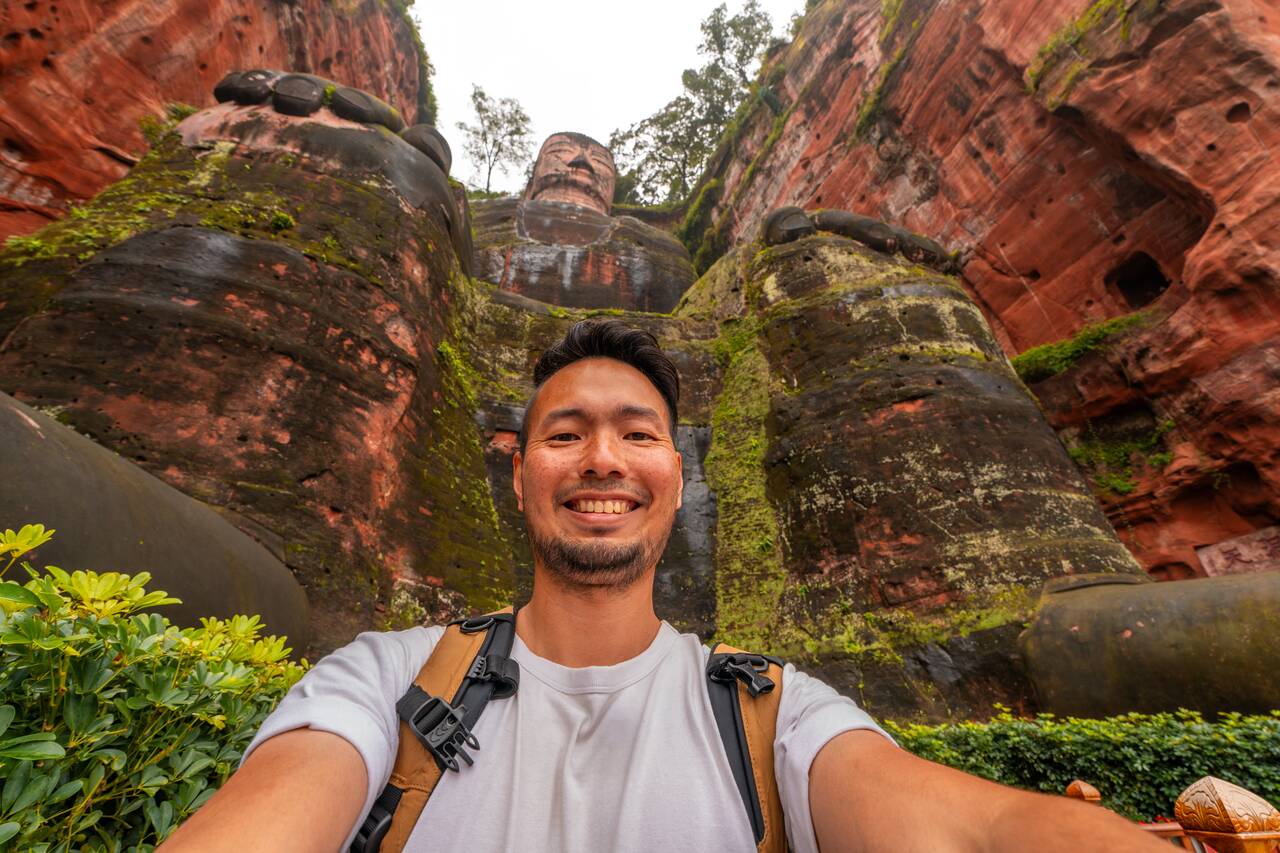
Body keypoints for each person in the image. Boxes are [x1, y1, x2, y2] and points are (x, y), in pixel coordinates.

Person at [161, 320, 1167, 852]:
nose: (602, 459)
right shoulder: (381, 681)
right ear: (518, 474)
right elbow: (275, 810)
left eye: (636, 433)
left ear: (673, 476)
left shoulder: (773, 713)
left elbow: (964, 821)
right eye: (565, 434)